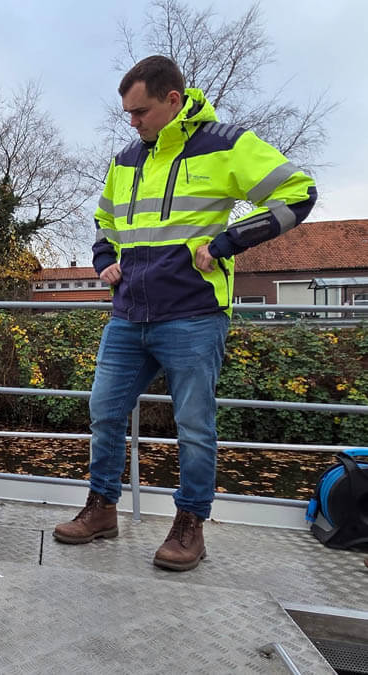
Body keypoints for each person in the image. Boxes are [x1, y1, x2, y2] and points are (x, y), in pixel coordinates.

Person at [53, 55, 316, 571]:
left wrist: (230, 240)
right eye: (127, 113)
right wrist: (104, 259)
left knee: (193, 425)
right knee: (104, 411)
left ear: (173, 100)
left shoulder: (226, 143)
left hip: (193, 315)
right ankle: (102, 507)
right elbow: (104, 219)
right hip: (129, 314)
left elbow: (299, 191)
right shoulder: (128, 158)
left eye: (140, 111)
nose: (132, 122)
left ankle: (190, 525)